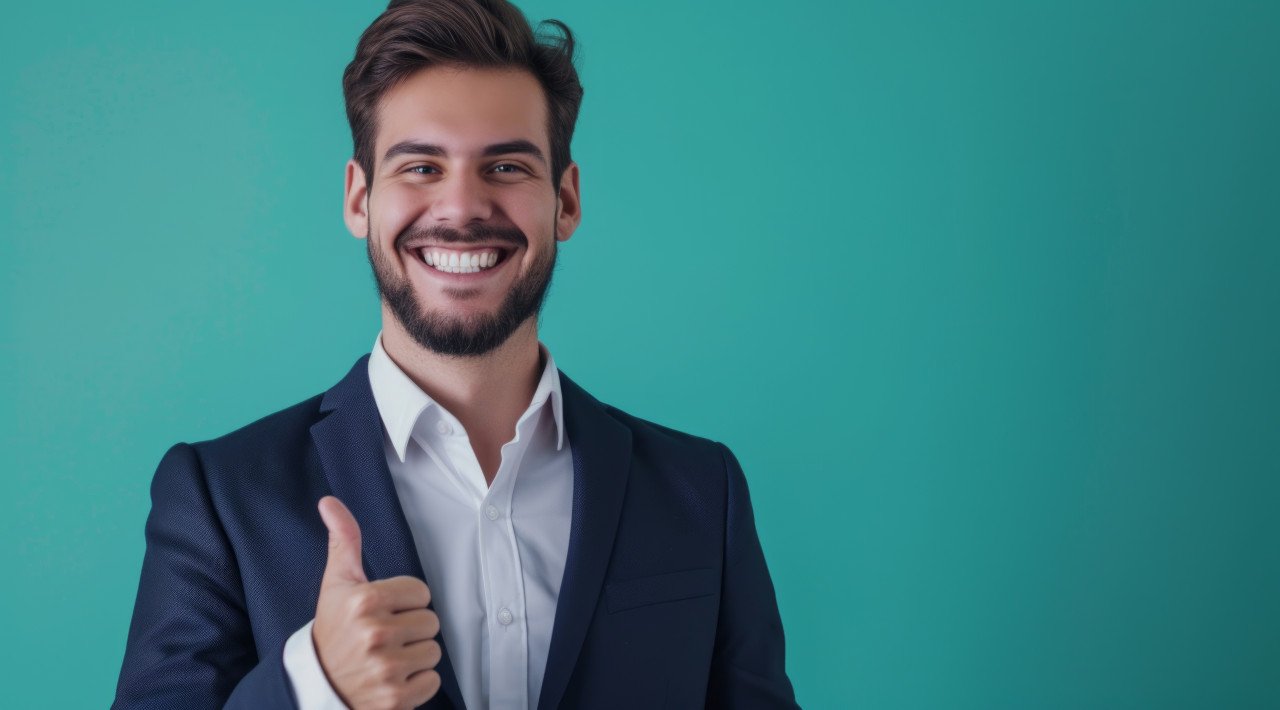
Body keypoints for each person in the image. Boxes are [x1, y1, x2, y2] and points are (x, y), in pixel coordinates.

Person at [112, 1, 799, 708]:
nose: (462, 207)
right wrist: (316, 685)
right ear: (359, 200)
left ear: (565, 201)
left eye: (505, 165)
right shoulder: (222, 495)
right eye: (420, 167)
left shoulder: (700, 491)